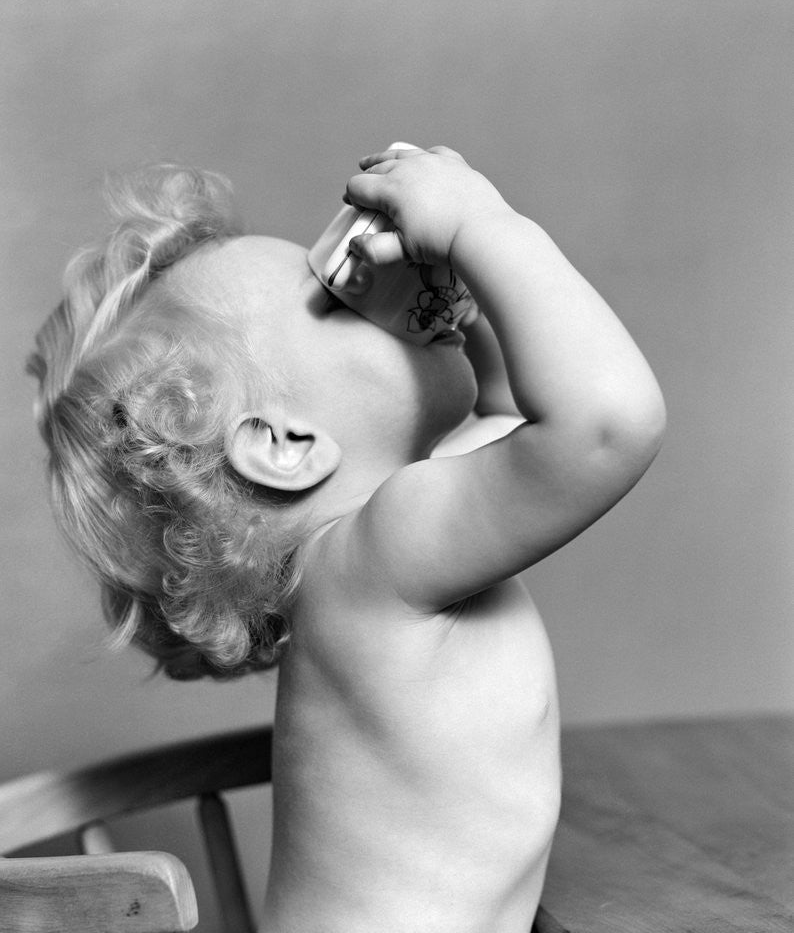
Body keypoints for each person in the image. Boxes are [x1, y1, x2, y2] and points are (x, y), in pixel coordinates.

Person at [29, 144, 666, 932]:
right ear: (286, 444)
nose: (374, 283)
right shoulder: (368, 566)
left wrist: (455, 293)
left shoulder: (388, 541)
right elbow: (604, 427)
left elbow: (511, 413)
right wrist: (482, 226)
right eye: (331, 290)